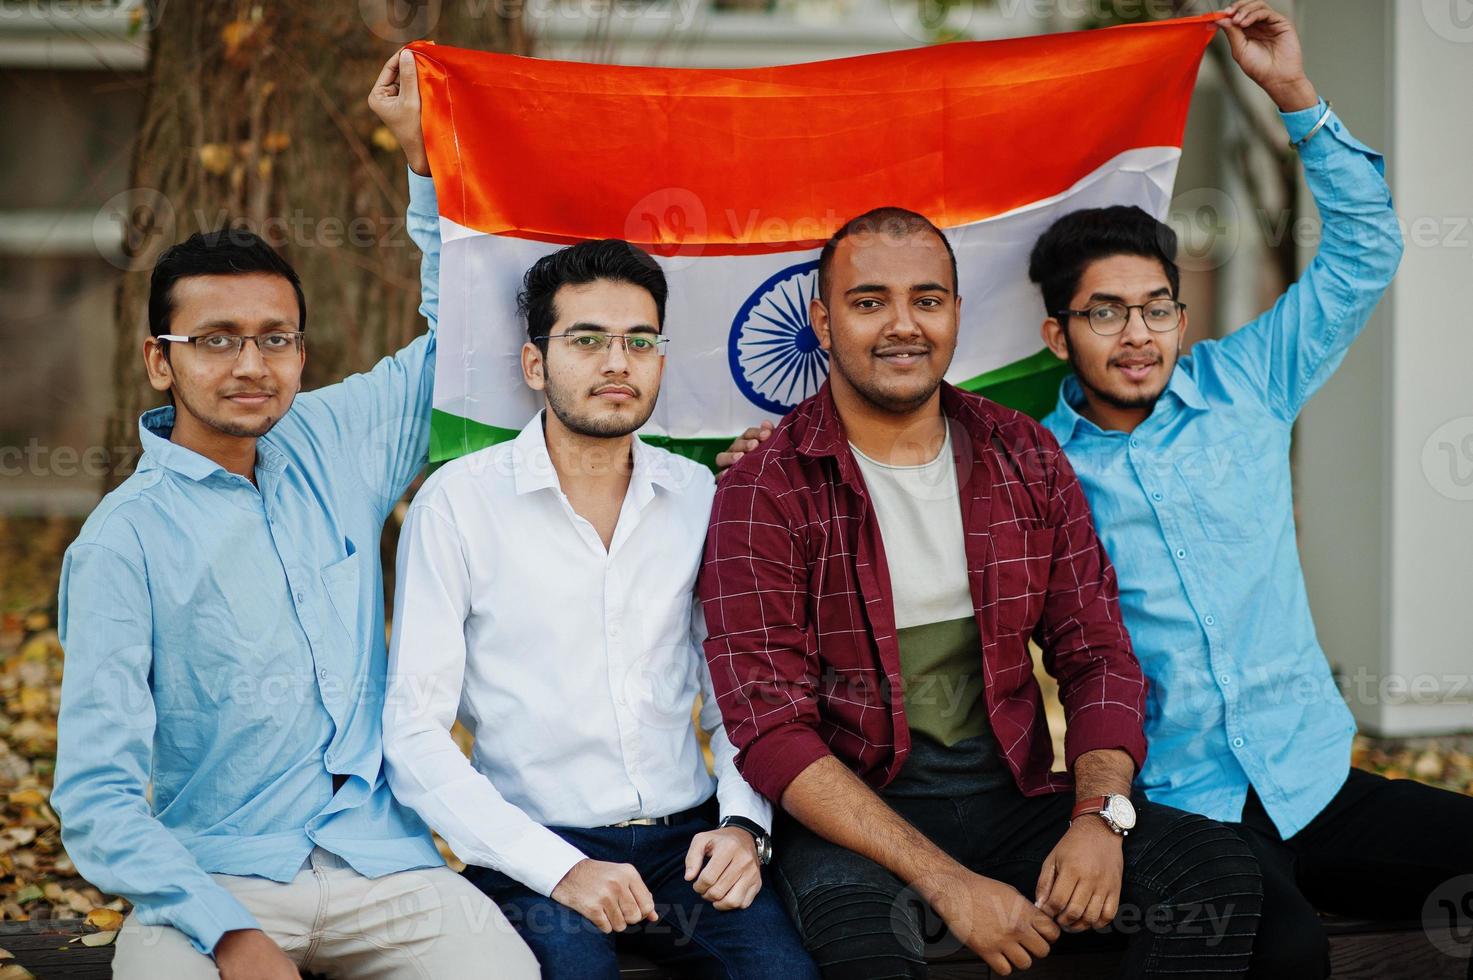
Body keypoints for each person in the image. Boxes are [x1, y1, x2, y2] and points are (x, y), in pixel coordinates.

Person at [50, 50, 537, 980]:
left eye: (275, 339)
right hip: (214, 877)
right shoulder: (122, 541)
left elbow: (462, 339)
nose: (250, 366)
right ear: (160, 361)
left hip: (382, 866)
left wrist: (423, 163)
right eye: (216, 341)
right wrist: (226, 932)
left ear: (301, 352)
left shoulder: (333, 441)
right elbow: (98, 797)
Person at [699, 199, 1263, 978]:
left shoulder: (1019, 452)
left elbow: (1095, 652)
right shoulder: (766, 487)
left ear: (955, 313)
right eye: (870, 303)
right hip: (852, 821)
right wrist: (947, 883)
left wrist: (1100, 816)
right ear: (823, 324)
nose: (903, 325)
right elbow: (771, 730)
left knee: (1220, 878)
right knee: (867, 951)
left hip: (1012, 797)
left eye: (926, 300)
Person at [1030, 4, 1473, 976]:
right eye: (1106, 313)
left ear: (1182, 317)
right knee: (1286, 950)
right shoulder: (1035, 468)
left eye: (1157, 308)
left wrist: (1293, 95)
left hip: (1314, 777)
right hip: (1185, 805)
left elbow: (1366, 249)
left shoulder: (1248, 379)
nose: (1138, 335)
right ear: (1060, 334)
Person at [381, 231, 818, 980]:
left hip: (691, 844)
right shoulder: (457, 504)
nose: (617, 363)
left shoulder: (699, 498)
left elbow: (739, 695)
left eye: (638, 341)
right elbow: (413, 731)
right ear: (534, 363)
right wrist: (554, 868)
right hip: (531, 849)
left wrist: (744, 823)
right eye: (587, 340)